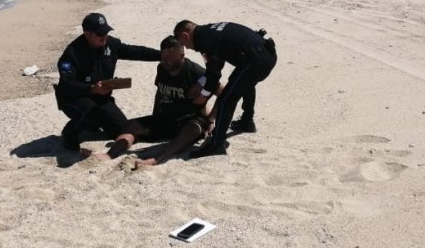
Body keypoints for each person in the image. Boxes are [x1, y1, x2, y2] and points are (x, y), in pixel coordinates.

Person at [91, 36, 221, 165]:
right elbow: (160, 91)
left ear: (181, 56)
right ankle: (110, 154)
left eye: (169, 58)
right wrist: (155, 115)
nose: (165, 61)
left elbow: (222, 93)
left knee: (191, 130)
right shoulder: (162, 68)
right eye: (163, 57)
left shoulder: (196, 72)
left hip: (189, 120)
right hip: (166, 117)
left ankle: (157, 159)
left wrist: (210, 120)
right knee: (131, 125)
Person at [55, 13, 160, 151]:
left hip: (100, 96)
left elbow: (135, 51)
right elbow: (68, 85)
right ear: (87, 33)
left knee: (120, 130)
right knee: (92, 113)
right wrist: (92, 88)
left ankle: (93, 123)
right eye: (100, 34)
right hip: (74, 98)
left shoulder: (111, 44)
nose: (104, 36)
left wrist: (162, 55)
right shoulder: (71, 54)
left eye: (106, 32)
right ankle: (69, 133)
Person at [173, 20, 277, 158]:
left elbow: (214, 74)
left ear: (185, 35)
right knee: (243, 83)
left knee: (226, 100)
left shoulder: (204, 40)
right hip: (264, 53)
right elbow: (216, 63)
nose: (186, 48)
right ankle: (247, 121)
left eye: (184, 43)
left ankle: (216, 144)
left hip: (257, 61)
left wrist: (203, 95)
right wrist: (202, 82)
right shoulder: (208, 31)